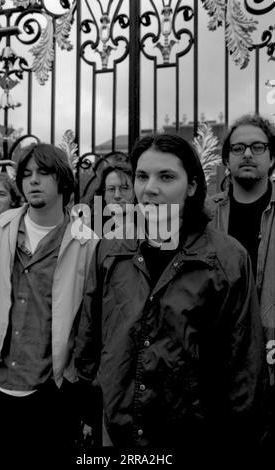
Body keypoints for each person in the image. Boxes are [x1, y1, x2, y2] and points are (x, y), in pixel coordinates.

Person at [74, 133, 267, 457]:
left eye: (166, 176)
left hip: (194, 438)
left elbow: (244, 365)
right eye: (142, 176)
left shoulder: (227, 258)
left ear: (191, 185)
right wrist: (91, 404)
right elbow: (91, 335)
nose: (150, 187)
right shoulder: (111, 248)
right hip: (117, 431)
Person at [0, 143, 98, 465]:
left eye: (43, 173)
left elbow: (89, 317)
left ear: (63, 180)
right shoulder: (1, 228)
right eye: (27, 174)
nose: (33, 180)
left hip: (51, 389)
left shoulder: (86, 242)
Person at [208, 113, 275, 451]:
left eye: (257, 147)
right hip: (215, 368)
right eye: (238, 148)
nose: (247, 154)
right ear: (226, 160)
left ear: (272, 157)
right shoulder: (204, 217)